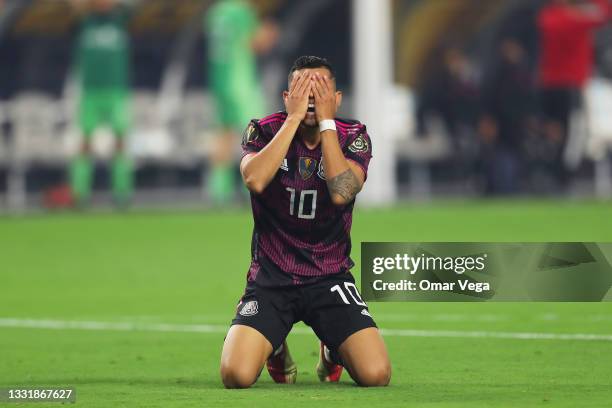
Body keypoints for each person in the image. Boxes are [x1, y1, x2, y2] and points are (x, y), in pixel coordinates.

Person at [220, 56, 391, 388]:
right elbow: (254, 180)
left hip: (329, 278)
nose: (311, 97)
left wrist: (326, 125)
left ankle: (332, 347)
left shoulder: (353, 135)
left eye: (321, 89)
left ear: (337, 99)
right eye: (303, 89)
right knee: (235, 376)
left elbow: (343, 191)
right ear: (287, 97)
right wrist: (294, 119)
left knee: (376, 375)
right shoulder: (263, 129)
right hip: (272, 279)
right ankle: (275, 344)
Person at [205, 0, 278, 205]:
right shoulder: (242, 11)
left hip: (219, 80)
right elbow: (256, 43)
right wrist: (269, 32)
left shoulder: (216, 11)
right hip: (240, 81)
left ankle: (219, 192)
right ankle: (259, 189)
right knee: (261, 133)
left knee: (223, 134)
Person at [537, 0, 611, 187]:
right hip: (569, 84)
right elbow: (602, 15)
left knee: (554, 131)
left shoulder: (547, 17)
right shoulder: (571, 19)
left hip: (548, 83)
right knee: (573, 132)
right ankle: (563, 176)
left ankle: (551, 173)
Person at [70, 0, 133, 206]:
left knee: (121, 141)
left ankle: (122, 194)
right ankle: (80, 195)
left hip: (116, 91)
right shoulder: (85, 21)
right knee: (85, 142)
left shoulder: (121, 18)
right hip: (91, 92)